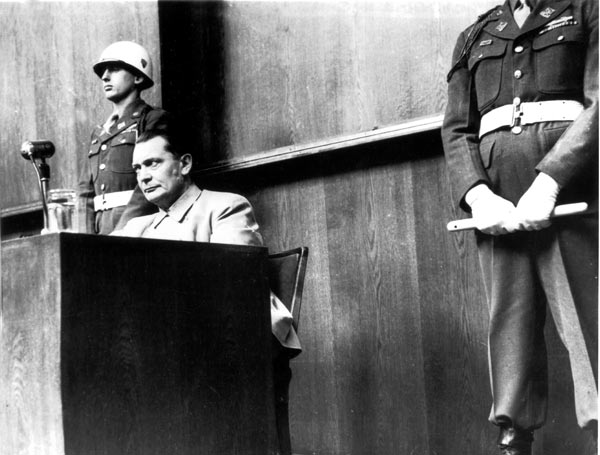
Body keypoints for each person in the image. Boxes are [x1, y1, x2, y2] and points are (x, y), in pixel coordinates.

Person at [442, 1, 597, 454]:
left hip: (572, 195)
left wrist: (550, 181)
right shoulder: (475, 35)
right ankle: (514, 441)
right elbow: (456, 129)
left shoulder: (588, 9)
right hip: (497, 208)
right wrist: (478, 195)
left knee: (590, 331)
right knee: (510, 338)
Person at [111, 128, 301, 352]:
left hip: (238, 337)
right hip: (171, 339)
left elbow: (232, 285)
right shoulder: (137, 227)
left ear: (184, 164)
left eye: (152, 163)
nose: (143, 177)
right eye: (137, 168)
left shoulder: (225, 207)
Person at [78, 41, 171, 235]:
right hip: (100, 229)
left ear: (138, 77)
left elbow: (151, 179)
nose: (105, 77)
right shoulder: (98, 133)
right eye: (103, 72)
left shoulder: (152, 119)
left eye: (114, 69)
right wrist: (85, 239)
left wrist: (123, 232)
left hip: (136, 226)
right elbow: (85, 192)